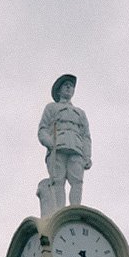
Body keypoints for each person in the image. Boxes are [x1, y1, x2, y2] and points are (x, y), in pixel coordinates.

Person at [37, 74, 91, 215]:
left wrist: (87, 156)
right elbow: (42, 129)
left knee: (77, 181)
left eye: (71, 86)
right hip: (57, 147)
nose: (69, 87)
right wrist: (48, 142)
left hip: (76, 148)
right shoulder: (51, 108)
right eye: (65, 85)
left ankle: (75, 210)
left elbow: (85, 136)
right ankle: (59, 213)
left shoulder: (80, 113)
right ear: (59, 90)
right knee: (57, 181)